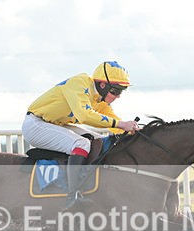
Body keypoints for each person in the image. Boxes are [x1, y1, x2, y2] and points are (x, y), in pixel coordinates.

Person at [22, 61, 140, 211]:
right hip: (36, 124)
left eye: (121, 91)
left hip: (55, 124)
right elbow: (84, 116)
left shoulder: (99, 99)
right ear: (103, 85)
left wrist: (133, 132)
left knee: (98, 141)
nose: (118, 96)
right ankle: (72, 197)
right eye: (116, 91)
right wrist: (122, 124)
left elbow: (114, 122)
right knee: (81, 144)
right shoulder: (80, 83)